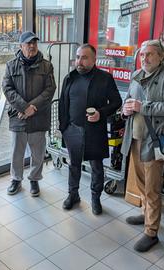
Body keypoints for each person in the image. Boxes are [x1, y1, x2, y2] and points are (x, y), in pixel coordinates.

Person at [121, 39, 164, 252]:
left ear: (161, 56)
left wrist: (142, 106)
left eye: (149, 54)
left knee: (152, 188)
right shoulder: (136, 76)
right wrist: (126, 109)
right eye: (141, 55)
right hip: (136, 138)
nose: (144, 58)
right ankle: (147, 213)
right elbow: (129, 100)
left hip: (155, 141)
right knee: (140, 182)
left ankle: (151, 232)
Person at [58, 44, 122, 215]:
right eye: (78, 57)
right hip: (73, 130)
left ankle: (95, 198)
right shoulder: (70, 78)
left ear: (94, 60)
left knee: (96, 167)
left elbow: (117, 102)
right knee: (74, 166)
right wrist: (63, 127)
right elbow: (63, 103)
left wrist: (101, 114)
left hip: (94, 131)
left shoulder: (105, 78)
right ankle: (73, 195)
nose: (79, 61)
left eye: (84, 58)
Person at [2, 31, 56, 196]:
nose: (31, 46)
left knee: (38, 152)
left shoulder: (46, 66)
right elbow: (7, 88)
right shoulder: (11, 65)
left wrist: (31, 107)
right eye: (27, 43)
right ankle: (16, 179)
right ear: (20, 46)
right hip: (18, 116)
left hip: (39, 116)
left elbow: (50, 89)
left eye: (34, 43)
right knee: (16, 152)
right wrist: (23, 107)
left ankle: (34, 179)